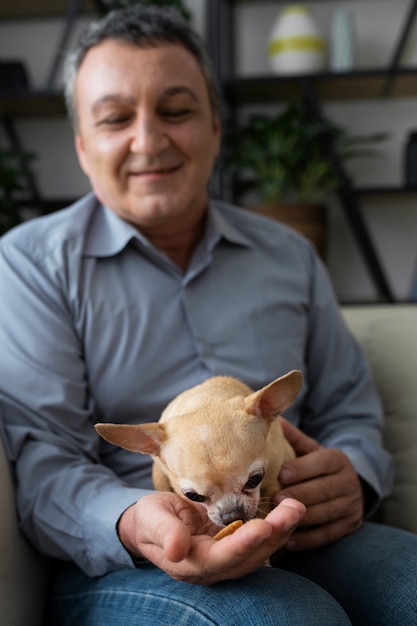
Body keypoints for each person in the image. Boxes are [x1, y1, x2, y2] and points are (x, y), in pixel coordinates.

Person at [0, 5, 415, 625]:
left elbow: (348, 408)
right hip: (133, 561)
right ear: (83, 147)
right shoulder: (31, 263)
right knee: (286, 617)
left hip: (298, 521)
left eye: (176, 110)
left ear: (216, 127)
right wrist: (133, 520)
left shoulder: (288, 254)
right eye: (116, 118)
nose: (149, 139)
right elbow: (43, 457)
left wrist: (353, 475)